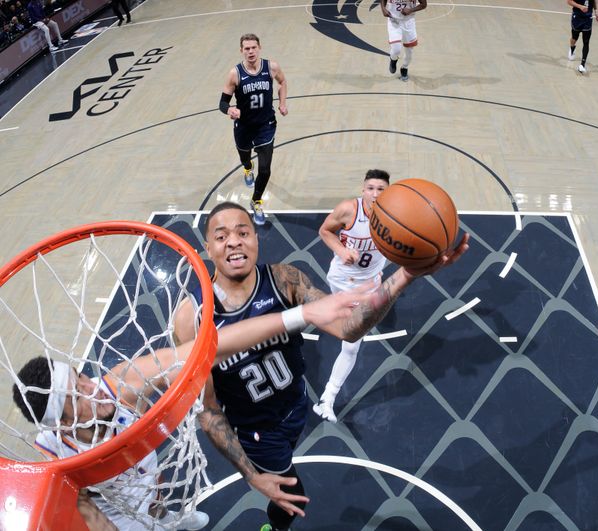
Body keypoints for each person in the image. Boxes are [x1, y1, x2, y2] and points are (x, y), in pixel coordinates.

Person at [174, 201, 468, 531]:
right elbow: (208, 408)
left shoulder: (285, 278)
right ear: (208, 248)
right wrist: (252, 475)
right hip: (258, 431)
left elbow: (348, 327)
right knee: (290, 499)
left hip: (297, 406)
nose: (233, 241)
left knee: (289, 481)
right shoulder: (193, 317)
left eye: (243, 232)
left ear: (256, 239)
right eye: (221, 235)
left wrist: (405, 275)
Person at [11, 281, 369, 530]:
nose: (94, 390)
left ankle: (169, 517)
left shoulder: (120, 385)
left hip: (146, 483)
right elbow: (85, 507)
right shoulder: (58, 460)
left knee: (158, 494)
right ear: (62, 424)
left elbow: (206, 349)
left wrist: (302, 315)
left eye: (82, 377)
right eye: (78, 397)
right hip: (121, 518)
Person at [313, 169, 390, 423]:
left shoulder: (397, 215)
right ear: (362, 189)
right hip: (343, 281)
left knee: (351, 341)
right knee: (352, 342)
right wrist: (341, 248)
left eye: (381, 188)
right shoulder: (349, 210)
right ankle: (327, 399)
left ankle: (327, 399)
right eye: (371, 188)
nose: (375, 194)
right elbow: (325, 231)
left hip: (370, 284)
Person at [219, 33, 288, 226]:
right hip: (244, 127)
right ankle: (247, 168)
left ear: (259, 48)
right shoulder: (235, 73)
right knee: (245, 158)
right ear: (241, 51)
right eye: (246, 48)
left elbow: (282, 82)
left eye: (253, 47)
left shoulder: (271, 67)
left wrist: (283, 103)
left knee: (265, 170)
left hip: (266, 126)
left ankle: (256, 201)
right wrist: (230, 109)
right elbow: (223, 102)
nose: (250, 51)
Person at [379, 0, 427, 82]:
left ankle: (404, 67)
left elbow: (424, 4)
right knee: (396, 49)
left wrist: (411, 10)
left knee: (409, 52)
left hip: (408, 22)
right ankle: (393, 59)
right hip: (393, 20)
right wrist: (383, 8)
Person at [567, 0, 598, 74]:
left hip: (588, 18)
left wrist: (596, 11)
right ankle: (572, 48)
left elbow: (593, 1)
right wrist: (580, 6)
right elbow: (569, 1)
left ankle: (582, 65)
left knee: (586, 42)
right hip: (577, 17)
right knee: (574, 38)